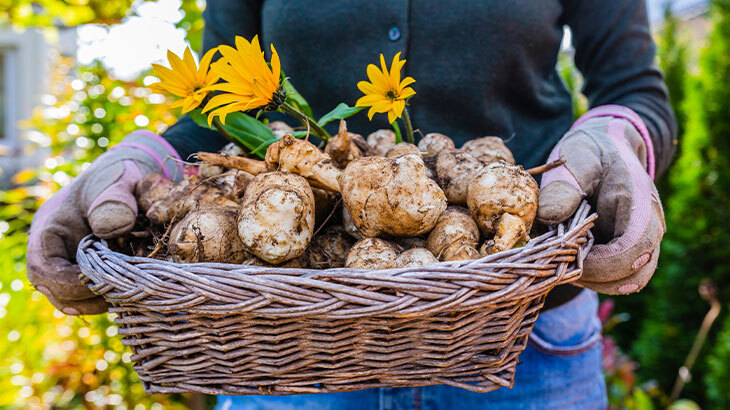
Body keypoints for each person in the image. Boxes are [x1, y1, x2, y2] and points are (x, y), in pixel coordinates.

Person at [26, 1, 675, 409]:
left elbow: (632, 88)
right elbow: (218, 116)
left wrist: (614, 137)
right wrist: (146, 163)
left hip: (522, 335)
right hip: (289, 343)